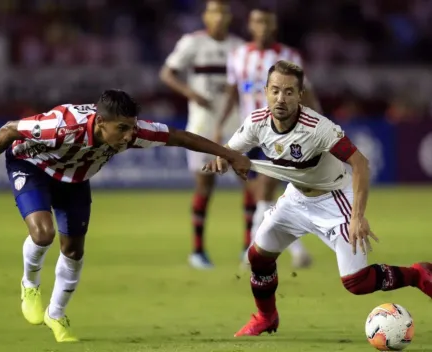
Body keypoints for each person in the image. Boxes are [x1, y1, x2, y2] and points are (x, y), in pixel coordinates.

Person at [0, 89, 251, 343]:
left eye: (131, 128)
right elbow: (9, 129)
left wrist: (229, 154)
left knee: (73, 250)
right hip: (32, 166)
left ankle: (56, 314)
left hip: (74, 179)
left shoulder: (132, 133)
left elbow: (179, 136)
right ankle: (30, 284)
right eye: (122, 129)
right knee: (43, 233)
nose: (128, 137)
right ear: (101, 122)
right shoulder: (61, 125)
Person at [203, 61, 432, 337]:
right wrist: (221, 161)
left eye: (289, 92)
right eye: (275, 90)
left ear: (300, 95)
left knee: (356, 283)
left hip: (335, 199)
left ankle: (418, 274)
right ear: (265, 91)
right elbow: (228, 151)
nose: (281, 98)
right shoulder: (256, 122)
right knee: (258, 256)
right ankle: (266, 317)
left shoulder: (318, 127)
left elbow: (360, 164)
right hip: (296, 199)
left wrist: (357, 216)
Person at [216, 7, 322, 268]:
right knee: (259, 196)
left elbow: (305, 92)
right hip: (247, 132)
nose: (262, 26)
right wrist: (219, 125)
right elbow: (232, 93)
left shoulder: (288, 56)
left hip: (279, 131)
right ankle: (297, 250)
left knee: (263, 193)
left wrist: (320, 122)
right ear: (250, 25)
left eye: (266, 22)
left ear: (273, 26)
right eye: (257, 21)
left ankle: (251, 253)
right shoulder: (238, 56)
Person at [160, 0, 248, 269]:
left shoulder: (239, 47)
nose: (218, 17)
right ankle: (198, 251)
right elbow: (167, 73)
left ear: (229, 16)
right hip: (202, 126)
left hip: (236, 125)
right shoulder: (192, 43)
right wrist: (191, 93)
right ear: (205, 16)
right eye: (213, 12)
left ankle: (249, 247)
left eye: (222, 11)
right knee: (204, 186)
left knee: (250, 183)